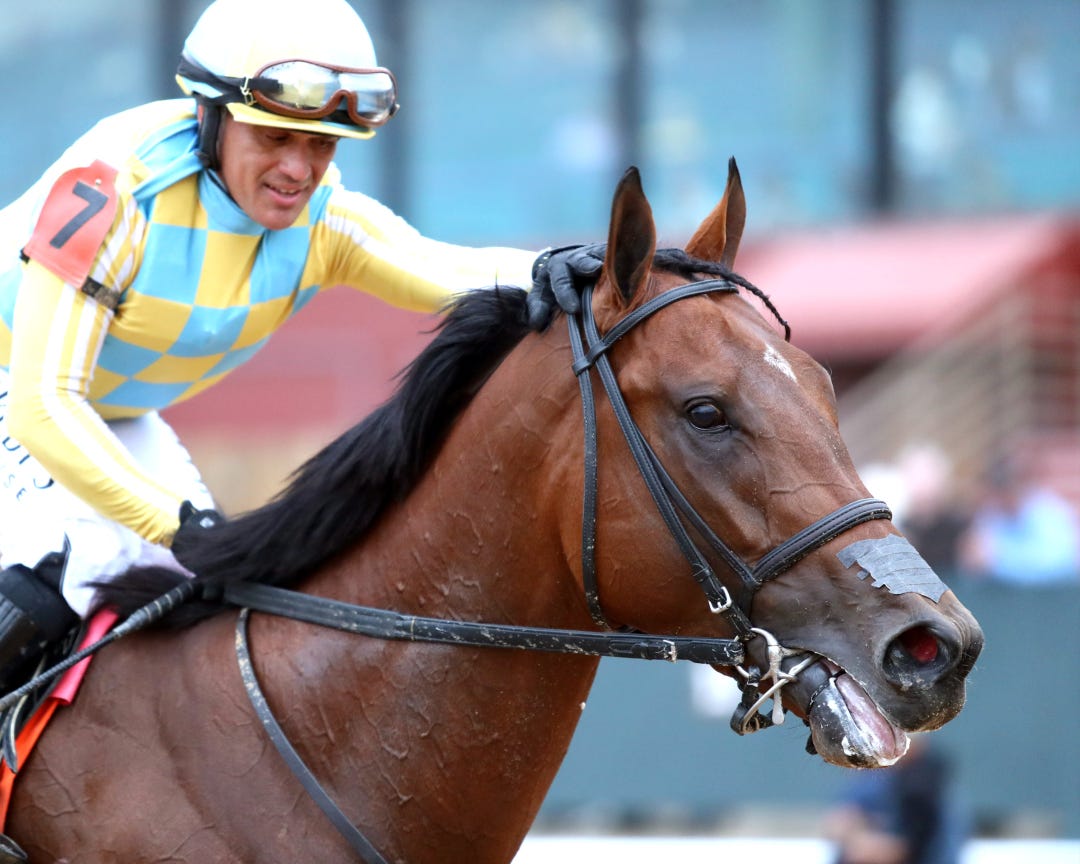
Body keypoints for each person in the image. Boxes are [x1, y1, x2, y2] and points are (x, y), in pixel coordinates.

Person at [0, 0, 594, 704]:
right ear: (211, 116)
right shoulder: (113, 192)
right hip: (31, 391)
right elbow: (42, 404)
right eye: (275, 137)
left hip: (108, 410)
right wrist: (174, 522)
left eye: (322, 145)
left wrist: (553, 268)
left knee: (195, 598)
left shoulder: (323, 223)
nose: (298, 169)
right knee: (65, 574)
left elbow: (437, 266)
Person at [824, 737, 967, 864]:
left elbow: (911, 844)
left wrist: (877, 846)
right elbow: (839, 823)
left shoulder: (928, 784)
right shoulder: (873, 778)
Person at [958, 454, 1080, 585]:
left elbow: (1057, 563)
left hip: (1053, 594)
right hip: (1002, 593)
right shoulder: (990, 513)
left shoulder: (1051, 510)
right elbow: (973, 561)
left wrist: (997, 562)